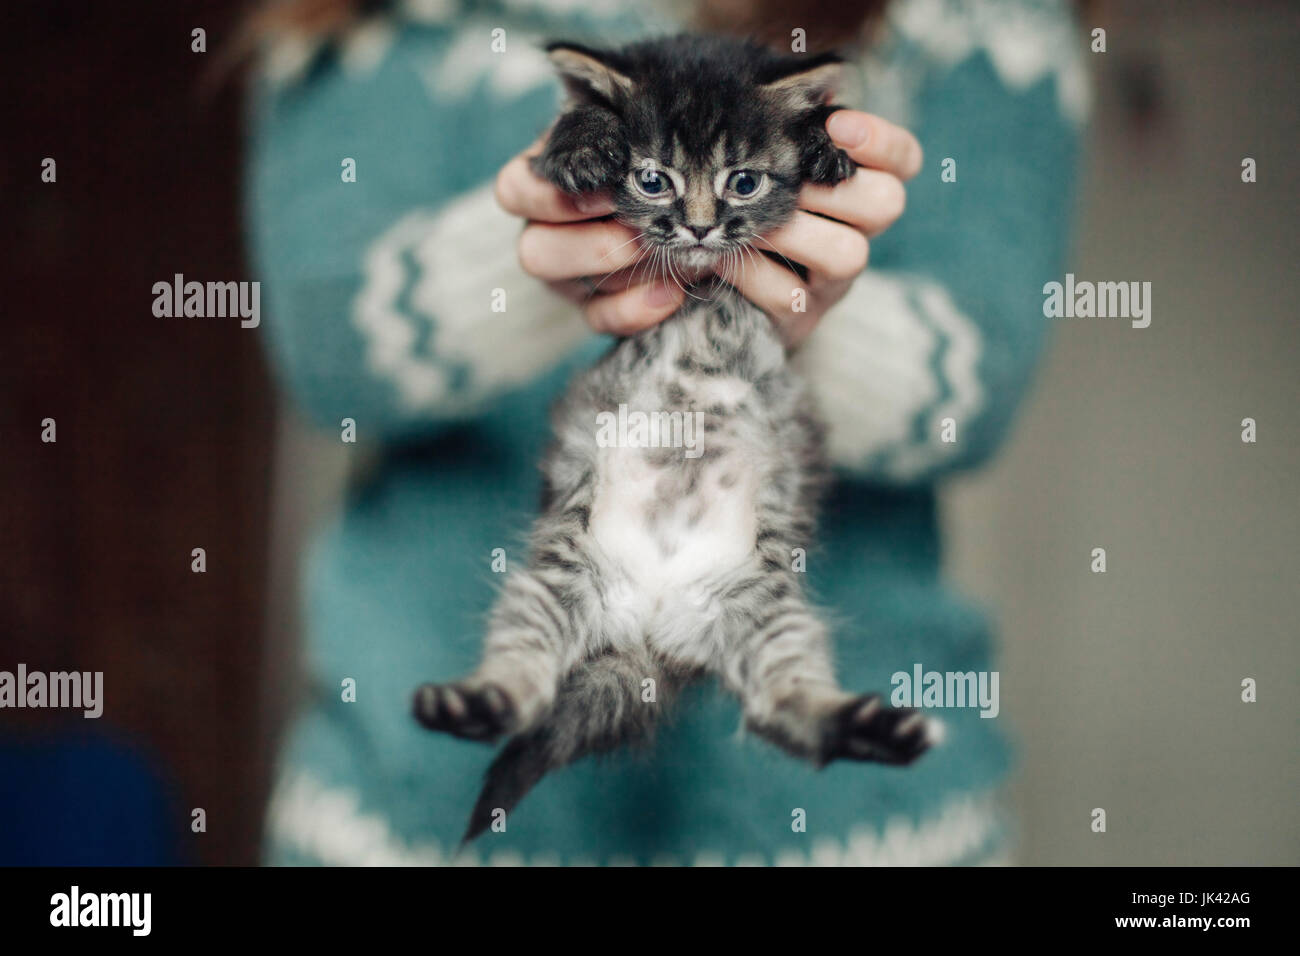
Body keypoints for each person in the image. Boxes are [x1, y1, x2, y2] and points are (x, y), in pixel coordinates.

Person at [248, 0, 1086, 865]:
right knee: (560, 594)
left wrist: (801, 307)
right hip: (401, 828)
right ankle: (504, 693)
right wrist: (551, 246)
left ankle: (813, 711)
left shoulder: (981, 24)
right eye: (661, 188)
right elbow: (325, 352)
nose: (692, 225)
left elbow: (970, 392)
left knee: (759, 613)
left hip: (861, 838)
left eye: (727, 191)